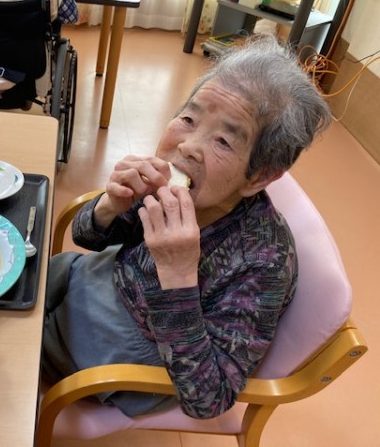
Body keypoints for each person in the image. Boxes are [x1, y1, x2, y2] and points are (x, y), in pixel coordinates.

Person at [41, 35, 332, 419]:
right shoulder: (169, 188)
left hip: (125, 349)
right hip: (93, 279)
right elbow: (86, 237)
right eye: (189, 119)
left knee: (6, 346)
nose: (189, 146)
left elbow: (209, 398)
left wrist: (177, 275)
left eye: (223, 141)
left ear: (259, 176)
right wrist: (111, 205)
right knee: (19, 274)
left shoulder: (263, 262)